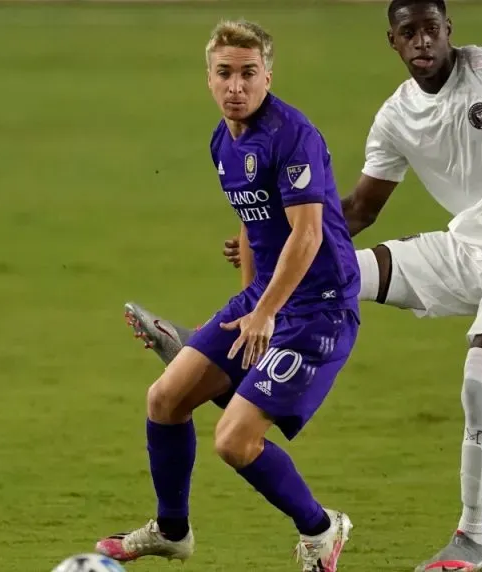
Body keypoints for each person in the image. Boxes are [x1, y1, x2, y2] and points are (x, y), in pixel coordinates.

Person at [124, 1, 482, 569]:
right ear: (393, 41)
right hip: (465, 247)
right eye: (409, 33)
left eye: (431, 29)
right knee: (336, 277)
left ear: (448, 30)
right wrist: (277, 230)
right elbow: (357, 209)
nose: (423, 42)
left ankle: (472, 542)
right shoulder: (397, 116)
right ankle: (213, 350)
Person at [96, 19, 360, 572]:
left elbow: (307, 234)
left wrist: (264, 314)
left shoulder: (294, 135)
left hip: (318, 311)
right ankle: (172, 531)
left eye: (247, 74)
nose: (235, 86)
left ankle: (321, 529)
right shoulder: (223, 140)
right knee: (164, 400)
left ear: (268, 75)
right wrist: (243, 313)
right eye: (224, 74)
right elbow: (251, 220)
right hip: (265, 298)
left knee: (233, 441)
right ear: (209, 78)